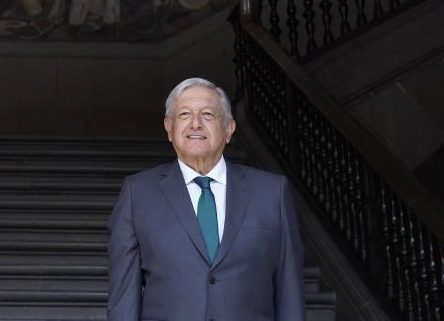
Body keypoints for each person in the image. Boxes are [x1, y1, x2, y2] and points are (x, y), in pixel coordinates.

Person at [107, 77, 306, 321]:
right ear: (169, 129)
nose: (196, 124)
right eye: (184, 115)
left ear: (229, 129)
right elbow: (123, 300)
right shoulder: (137, 194)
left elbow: (290, 293)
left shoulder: (272, 192)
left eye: (208, 115)